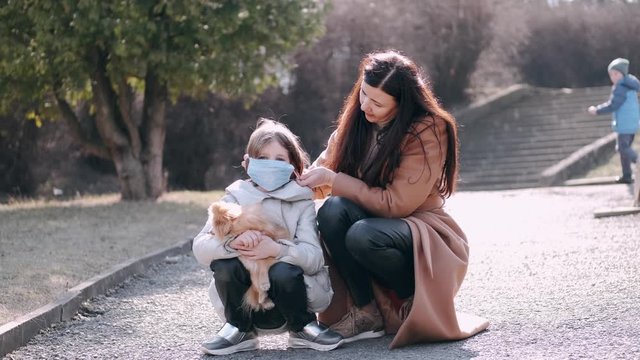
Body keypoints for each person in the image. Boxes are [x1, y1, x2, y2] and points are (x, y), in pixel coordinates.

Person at [297, 50, 489, 348]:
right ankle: (366, 312)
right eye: (363, 94)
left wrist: (335, 181)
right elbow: (322, 174)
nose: (365, 107)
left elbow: (396, 205)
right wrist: (278, 177)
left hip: (419, 228)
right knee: (332, 210)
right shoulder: (356, 122)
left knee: (362, 234)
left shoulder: (428, 129)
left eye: (377, 102)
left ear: (402, 103)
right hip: (373, 222)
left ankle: (412, 299)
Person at [192, 118, 343, 355]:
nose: (270, 165)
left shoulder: (301, 201)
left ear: (292, 166)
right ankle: (238, 328)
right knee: (225, 265)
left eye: (280, 159)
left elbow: (314, 258)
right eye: (262, 158)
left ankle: (303, 327)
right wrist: (233, 244)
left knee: (282, 269)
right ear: (249, 162)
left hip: (291, 296)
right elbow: (200, 247)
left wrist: (277, 250)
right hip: (245, 300)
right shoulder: (234, 197)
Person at [588, 57, 640, 184]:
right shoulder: (630, 85)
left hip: (624, 123)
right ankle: (627, 175)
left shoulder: (621, 87)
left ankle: (638, 161)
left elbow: (613, 105)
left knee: (622, 148)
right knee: (624, 149)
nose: (613, 77)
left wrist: (597, 110)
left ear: (622, 74)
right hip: (632, 122)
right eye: (611, 74)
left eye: (615, 73)